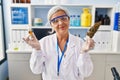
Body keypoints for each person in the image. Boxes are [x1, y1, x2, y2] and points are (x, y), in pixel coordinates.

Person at [23, 6, 94, 80]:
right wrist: (37, 49)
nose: (61, 23)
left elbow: (86, 72)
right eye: (55, 21)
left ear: (69, 20)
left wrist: (84, 53)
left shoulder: (80, 43)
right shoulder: (43, 43)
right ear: (51, 25)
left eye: (63, 18)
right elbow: (36, 70)